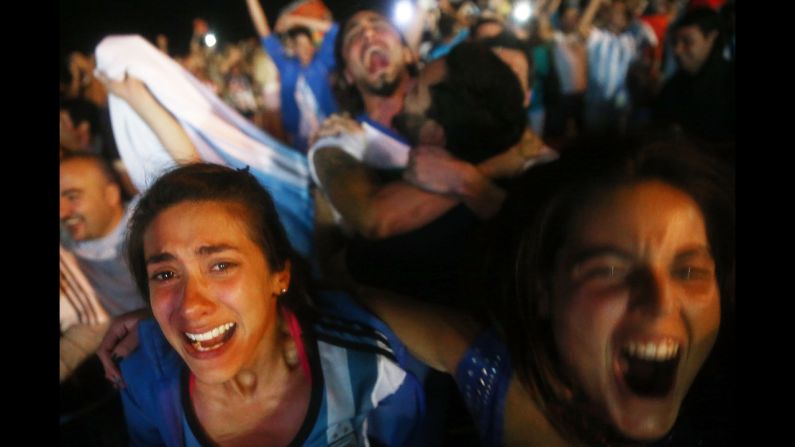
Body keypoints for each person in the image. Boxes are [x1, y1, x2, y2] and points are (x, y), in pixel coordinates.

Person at [358, 138, 735, 445]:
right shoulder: (504, 382)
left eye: (689, 271)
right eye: (610, 270)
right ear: (544, 291)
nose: (660, 303)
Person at [118, 163, 426, 446]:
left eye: (221, 266)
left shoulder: (367, 366)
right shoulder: (143, 379)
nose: (189, 307)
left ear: (279, 276)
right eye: (166, 274)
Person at [245, 0, 339, 152]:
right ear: (294, 49)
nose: (306, 49)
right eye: (300, 45)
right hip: (300, 142)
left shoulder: (321, 64)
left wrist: (295, 20)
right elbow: (264, 33)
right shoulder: (287, 68)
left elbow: (335, 29)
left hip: (332, 134)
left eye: (308, 44)